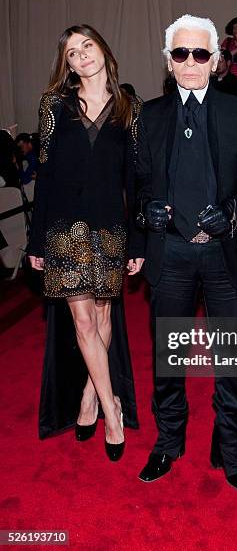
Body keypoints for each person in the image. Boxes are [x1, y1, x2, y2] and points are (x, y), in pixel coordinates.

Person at [134, 14, 237, 495]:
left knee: (231, 360)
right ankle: (169, 443)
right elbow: (133, 185)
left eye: (200, 53)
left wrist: (233, 213)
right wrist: (145, 210)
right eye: (180, 53)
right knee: (168, 360)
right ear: (169, 62)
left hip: (225, 256)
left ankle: (230, 452)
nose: (190, 62)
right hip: (170, 256)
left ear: (215, 61)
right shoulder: (148, 117)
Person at [27, 24, 141, 458]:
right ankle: (112, 413)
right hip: (65, 230)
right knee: (83, 323)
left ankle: (92, 396)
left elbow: (134, 178)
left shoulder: (128, 107)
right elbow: (46, 175)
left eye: (87, 46)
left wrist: (138, 243)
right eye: (72, 53)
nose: (81, 57)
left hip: (111, 229)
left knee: (103, 315)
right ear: (67, 64)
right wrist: (36, 240)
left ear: (103, 50)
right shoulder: (54, 105)